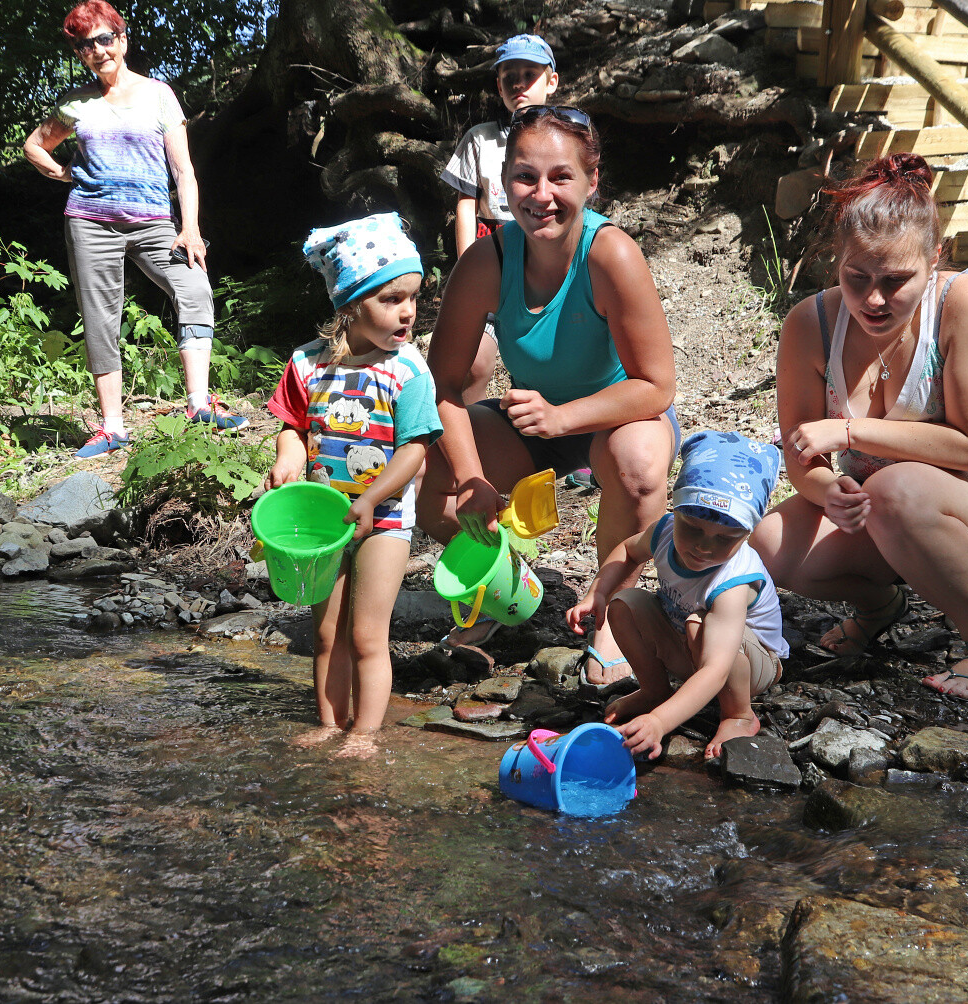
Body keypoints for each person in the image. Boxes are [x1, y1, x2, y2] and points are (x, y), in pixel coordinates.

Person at [750, 153, 968, 703]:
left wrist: (848, 434)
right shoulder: (810, 324)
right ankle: (880, 607)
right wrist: (828, 489)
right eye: (856, 278)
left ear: (934, 258)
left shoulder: (967, 302)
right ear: (836, 263)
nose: (872, 299)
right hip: (887, 503)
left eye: (895, 281)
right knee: (770, 543)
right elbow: (802, 453)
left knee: (897, 488)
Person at [421, 104, 679, 692]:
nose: (542, 195)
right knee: (431, 481)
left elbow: (657, 386)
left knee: (638, 465)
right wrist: (469, 478)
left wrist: (564, 418)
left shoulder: (610, 254)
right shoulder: (487, 260)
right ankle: (502, 582)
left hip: (615, 417)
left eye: (561, 177)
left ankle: (613, 611)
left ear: (591, 181)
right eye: (524, 176)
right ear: (502, 183)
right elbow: (443, 386)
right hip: (534, 423)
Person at [23, 0, 245, 460]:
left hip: (154, 223)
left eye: (105, 39)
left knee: (194, 287)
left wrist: (190, 230)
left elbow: (183, 170)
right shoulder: (75, 104)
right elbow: (34, 145)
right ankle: (113, 428)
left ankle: (200, 405)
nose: (97, 50)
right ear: (80, 54)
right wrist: (64, 174)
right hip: (90, 221)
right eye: (86, 45)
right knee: (101, 317)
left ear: (122, 40)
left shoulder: (158, 94)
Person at [265, 213, 442, 759]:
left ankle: (364, 733)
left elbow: (415, 449)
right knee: (326, 634)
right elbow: (292, 426)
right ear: (350, 304)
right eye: (391, 299)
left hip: (384, 518)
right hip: (321, 521)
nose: (408, 312)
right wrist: (288, 458)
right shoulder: (308, 365)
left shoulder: (407, 371)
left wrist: (369, 499)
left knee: (367, 635)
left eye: (412, 297)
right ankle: (328, 721)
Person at [568, 432, 788, 761]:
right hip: (688, 637)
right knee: (624, 604)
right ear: (677, 510)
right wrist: (597, 590)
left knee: (699, 625)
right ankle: (656, 692)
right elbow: (628, 550)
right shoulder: (665, 531)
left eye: (724, 538)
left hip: (749, 663)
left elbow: (716, 668)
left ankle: (738, 715)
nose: (704, 546)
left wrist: (660, 723)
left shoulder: (734, 582)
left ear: (746, 535)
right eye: (693, 529)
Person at [439, 33, 559, 406]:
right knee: (474, 362)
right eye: (510, 76)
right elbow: (465, 205)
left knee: (549, 357)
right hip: (493, 258)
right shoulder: (480, 140)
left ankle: (559, 442)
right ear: (498, 85)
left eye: (530, 74)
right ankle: (469, 435)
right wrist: (466, 267)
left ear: (551, 81)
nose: (519, 84)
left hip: (547, 262)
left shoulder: (565, 137)